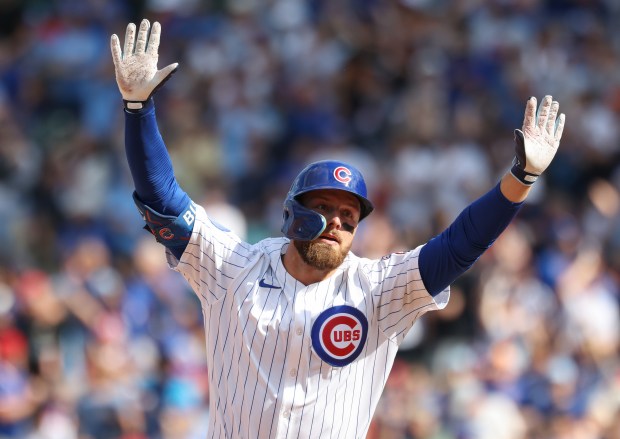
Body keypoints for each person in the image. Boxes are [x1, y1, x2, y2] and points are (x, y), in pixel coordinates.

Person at [110, 19, 565, 439]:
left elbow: (461, 244)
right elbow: (161, 198)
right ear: (291, 215)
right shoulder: (232, 267)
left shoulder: (378, 289)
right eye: (324, 207)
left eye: (350, 217)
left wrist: (520, 179)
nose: (338, 223)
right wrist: (138, 108)